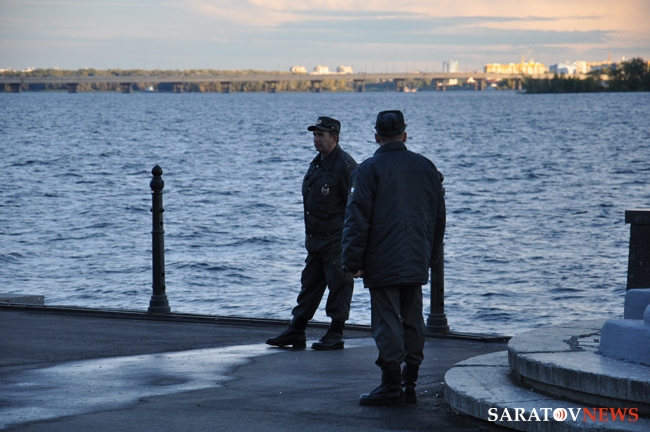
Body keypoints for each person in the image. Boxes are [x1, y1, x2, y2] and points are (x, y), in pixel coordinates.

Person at [342, 110, 446, 406]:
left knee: (386, 320)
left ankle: (390, 384)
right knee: (413, 319)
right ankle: (409, 382)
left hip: (382, 259)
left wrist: (352, 260)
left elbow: (357, 219)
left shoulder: (367, 169)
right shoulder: (427, 167)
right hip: (416, 256)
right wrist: (430, 255)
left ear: (376, 137)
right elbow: (439, 218)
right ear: (405, 135)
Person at [266, 116, 358, 350]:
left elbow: (356, 205)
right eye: (315, 135)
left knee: (340, 284)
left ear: (334, 138)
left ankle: (336, 332)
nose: (316, 139)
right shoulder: (317, 164)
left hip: (336, 239)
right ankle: (296, 330)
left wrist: (353, 241)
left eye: (321, 135)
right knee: (309, 284)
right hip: (316, 239)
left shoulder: (345, 166)